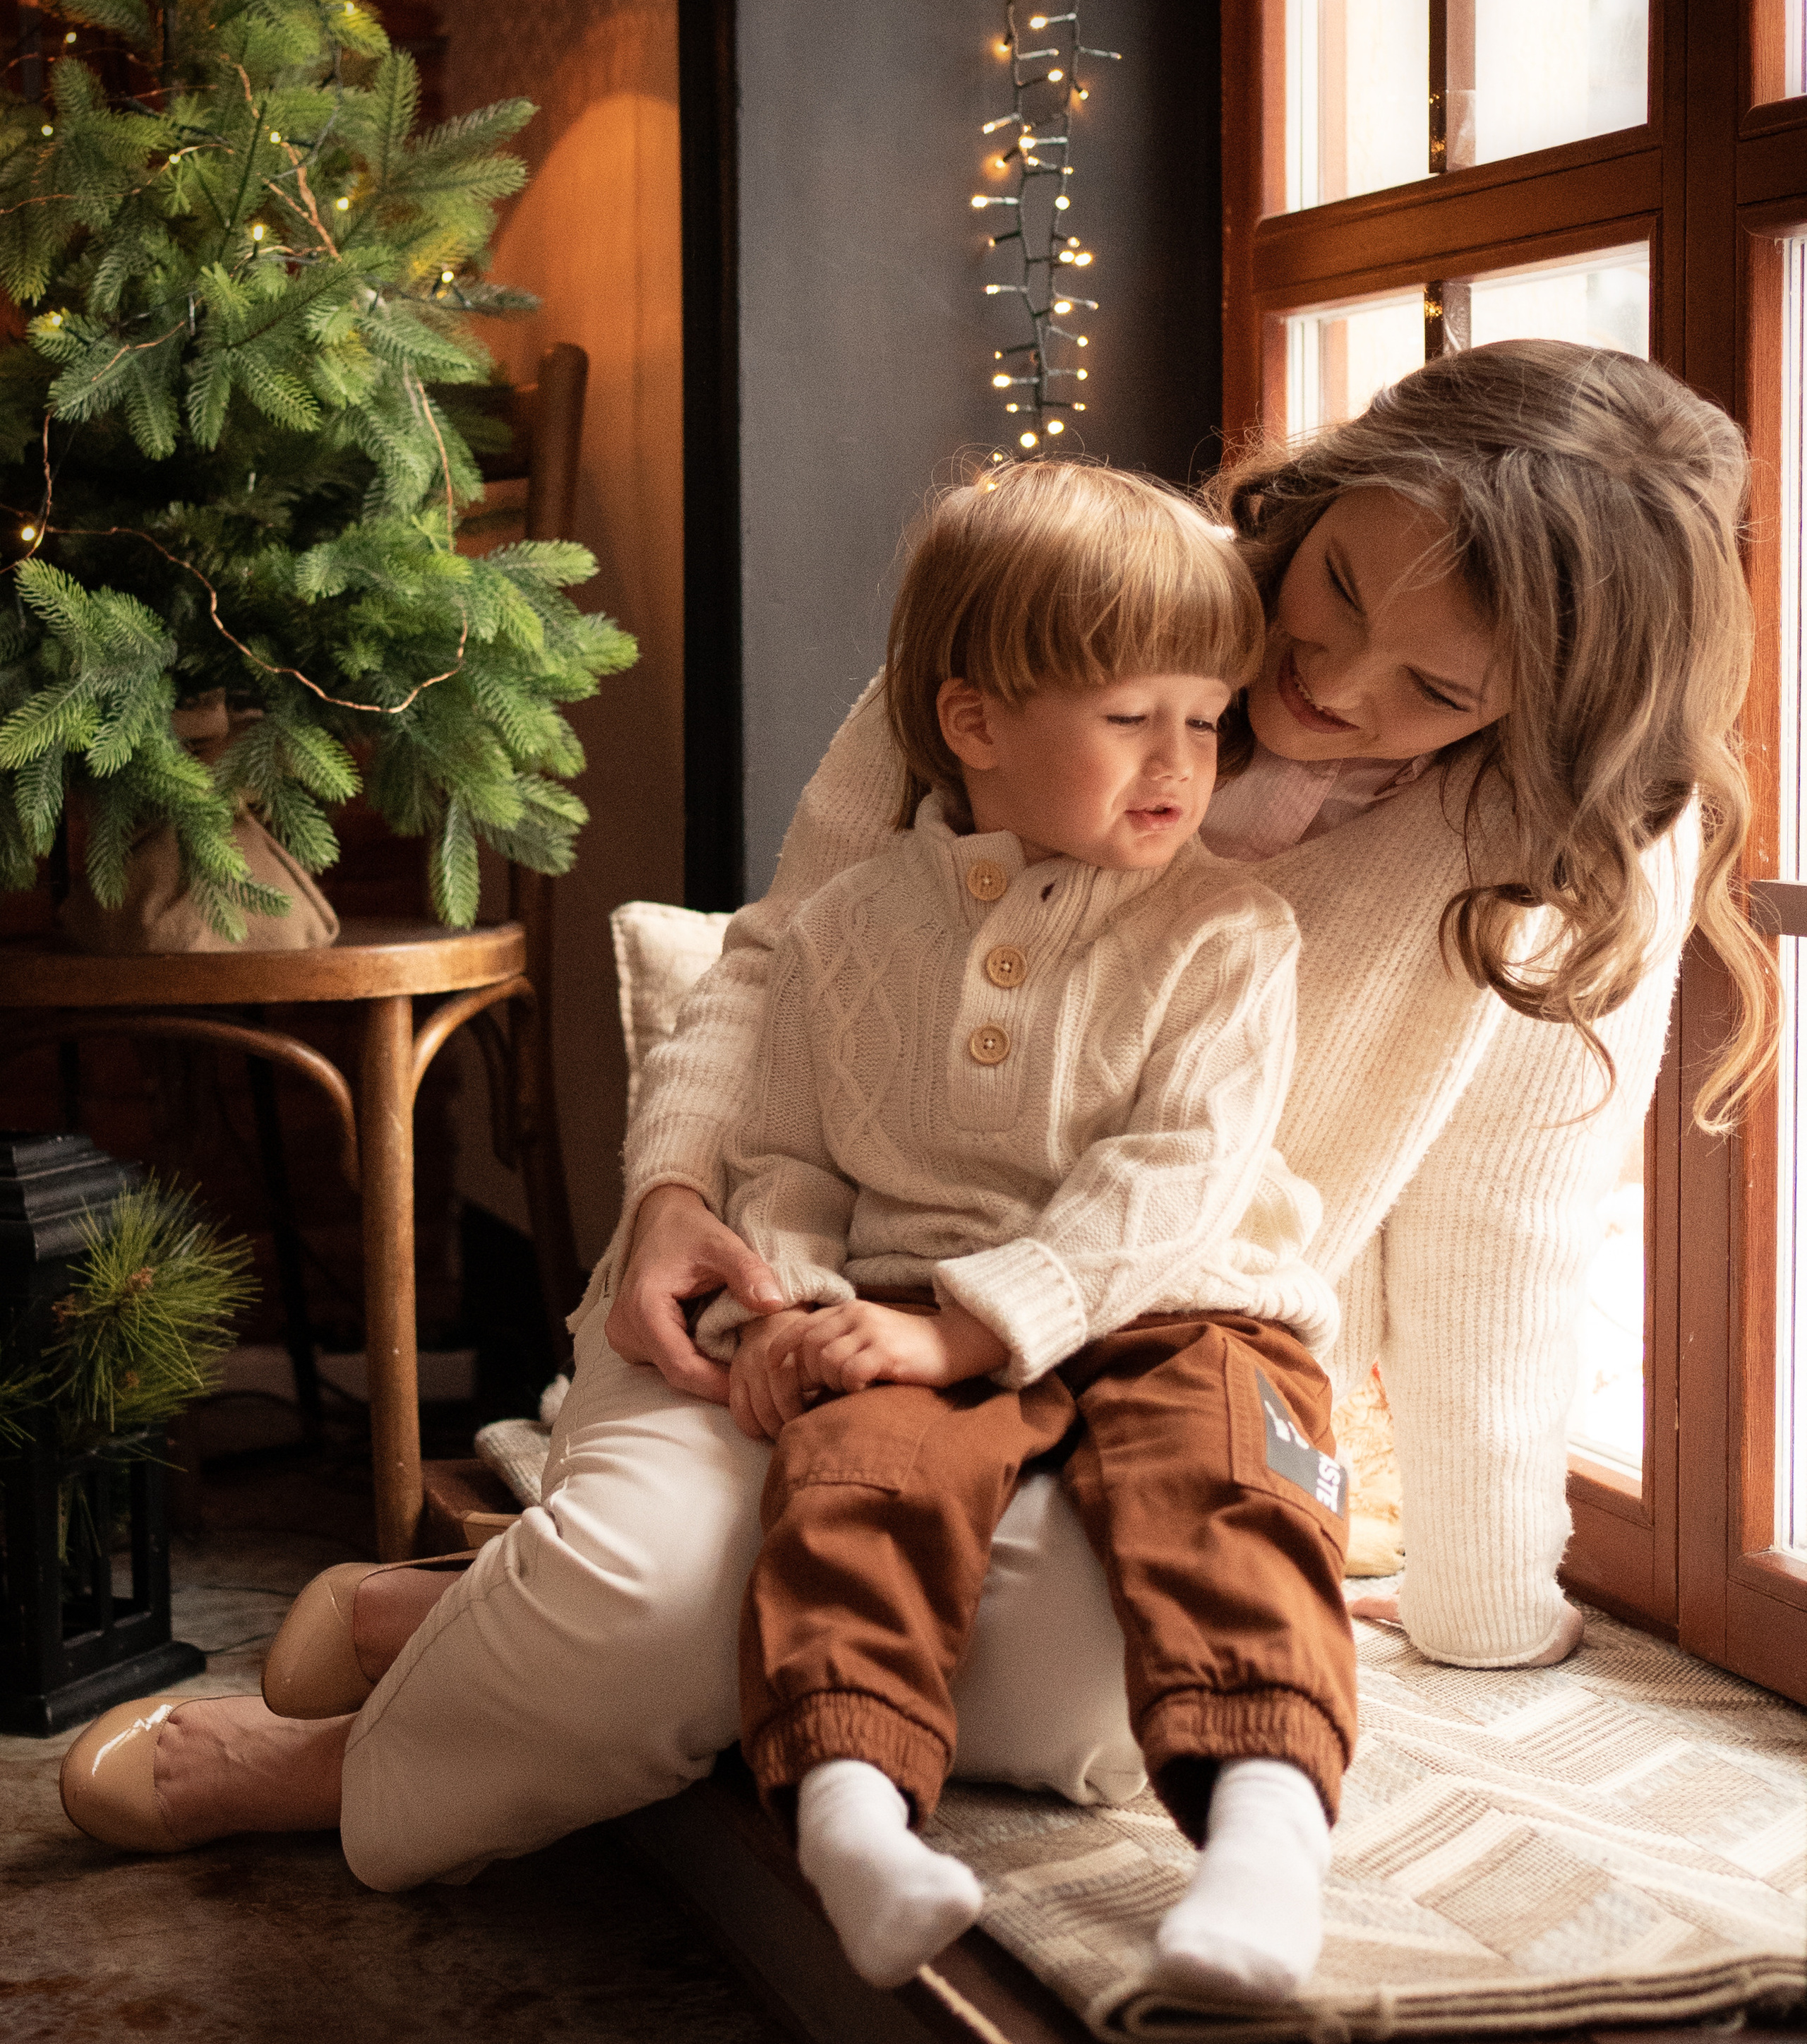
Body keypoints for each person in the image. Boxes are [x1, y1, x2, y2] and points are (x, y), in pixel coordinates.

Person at [57, 343, 1776, 1901]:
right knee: (666, 1590)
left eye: (1437, 688)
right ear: (1323, 488)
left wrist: (1485, 1607)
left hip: (1150, 1357)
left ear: (1538, 712)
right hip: (804, 1266)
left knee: (1106, 1708)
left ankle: (458, 1623)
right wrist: (669, 1193)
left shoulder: (1578, 844)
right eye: (1331, 590)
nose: (1331, 684)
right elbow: (775, 967)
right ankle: (368, 1753)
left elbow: (1503, 1227)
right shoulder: (1039, 640)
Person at [700, 462, 1351, 1997]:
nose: (1181, 762)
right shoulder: (848, 931)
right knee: (851, 1488)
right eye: (1133, 717)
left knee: (1235, 1495)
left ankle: (1261, 1852)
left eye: (1206, 720)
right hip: (907, 1295)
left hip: (1193, 1303)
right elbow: (782, 1150)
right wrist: (784, 1304)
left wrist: (972, 1323)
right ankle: (853, 1822)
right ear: (977, 723)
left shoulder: (1225, 936)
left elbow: (1176, 1174)